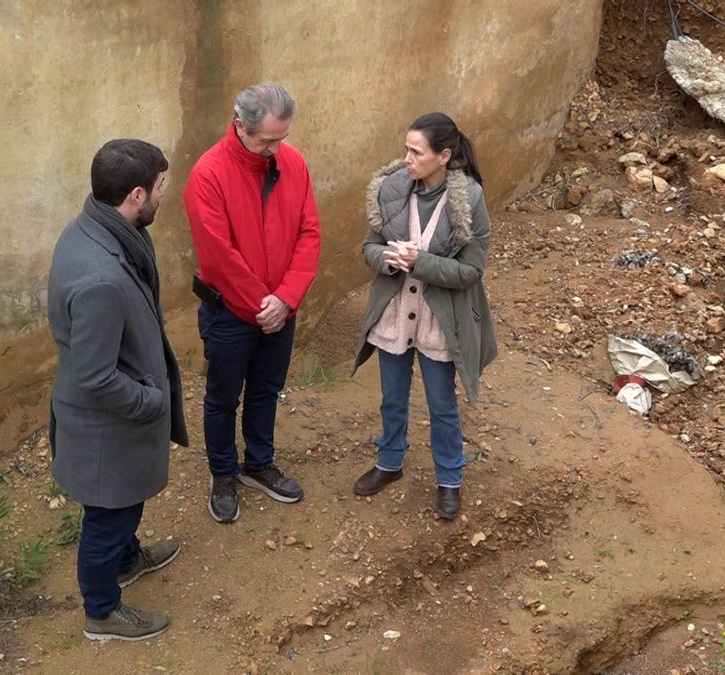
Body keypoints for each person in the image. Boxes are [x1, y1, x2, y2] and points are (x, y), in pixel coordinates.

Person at [47, 139, 189, 641]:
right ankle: (101, 611)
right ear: (135, 195)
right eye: (160, 188)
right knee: (108, 516)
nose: (163, 196)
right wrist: (154, 401)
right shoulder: (101, 277)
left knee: (124, 504)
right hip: (109, 428)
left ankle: (129, 560)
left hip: (116, 424)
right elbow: (96, 376)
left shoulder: (100, 227)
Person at [183, 82, 322, 524]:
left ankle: (259, 464)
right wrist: (263, 306)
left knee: (266, 389)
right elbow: (218, 255)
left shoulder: (293, 162)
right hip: (232, 313)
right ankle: (223, 473)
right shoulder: (208, 175)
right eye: (267, 141)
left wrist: (285, 299)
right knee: (223, 397)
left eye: (282, 138)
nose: (275, 149)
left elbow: (309, 233)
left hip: (279, 310)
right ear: (240, 126)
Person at [351, 112, 497, 520]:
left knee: (441, 404)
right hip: (395, 314)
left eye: (416, 151)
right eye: (406, 149)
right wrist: (387, 258)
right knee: (392, 399)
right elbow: (369, 245)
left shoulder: (469, 199)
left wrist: (421, 262)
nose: (407, 159)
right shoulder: (393, 189)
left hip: (439, 320)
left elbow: (471, 271)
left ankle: (450, 479)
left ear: (444, 156)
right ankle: (389, 463)